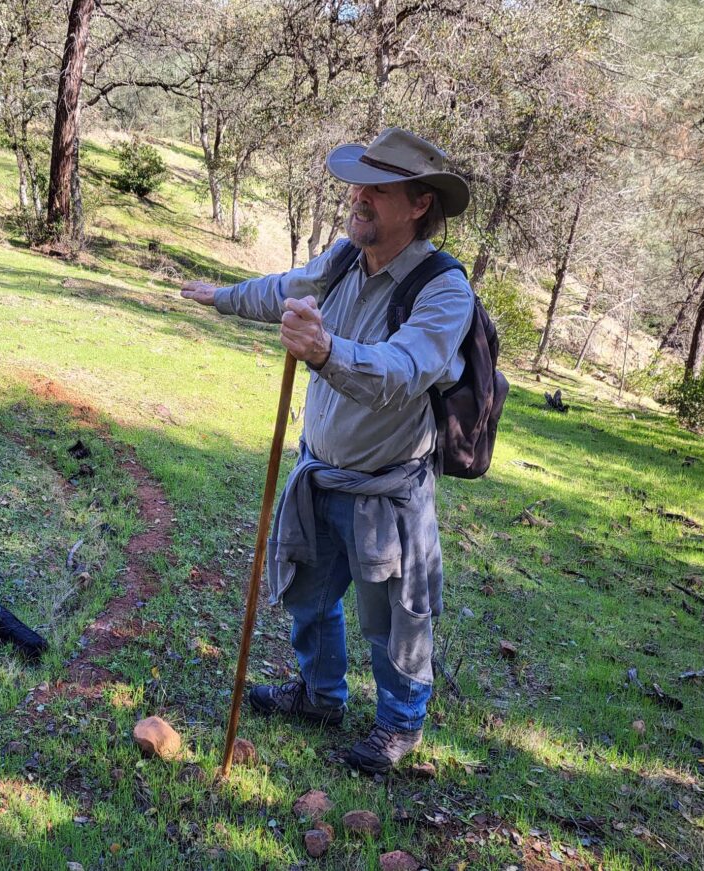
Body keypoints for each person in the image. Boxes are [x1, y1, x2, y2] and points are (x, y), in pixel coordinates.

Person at [179, 127, 474, 774]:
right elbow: (288, 287)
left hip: (386, 490)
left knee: (394, 619)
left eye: (377, 187)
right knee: (308, 596)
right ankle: (318, 697)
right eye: (357, 182)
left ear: (419, 204)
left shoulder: (444, 290)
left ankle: (399, 726)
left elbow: (404, 368)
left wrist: (326, 351)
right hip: (319, 476)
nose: (358, 195)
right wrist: (222, 297)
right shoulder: (345, 260)